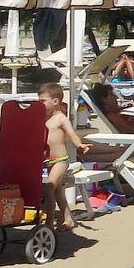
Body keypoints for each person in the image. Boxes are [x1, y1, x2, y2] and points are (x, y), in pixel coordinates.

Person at [37, 83, 86, 229]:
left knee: (49, 188)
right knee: (58, 193)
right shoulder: (43, 118)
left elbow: (72, 134)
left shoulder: (61, 118)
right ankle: (68, 220)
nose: (40, 104)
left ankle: (49, 221)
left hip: (61, 161)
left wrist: (79, 145)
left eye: (43, 101)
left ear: (55, 101)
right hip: (49, 161)